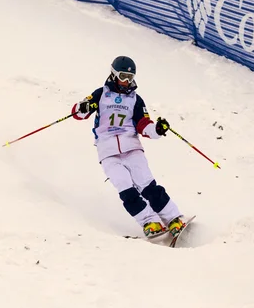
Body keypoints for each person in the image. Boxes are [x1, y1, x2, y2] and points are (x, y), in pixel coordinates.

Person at [71, 55, 186, 238]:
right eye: (123, 76)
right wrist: (83, 107)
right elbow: (78, 114)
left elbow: (143, 125)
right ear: (114, 74)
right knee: (125, 187)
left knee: (146, 184)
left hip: (131, 146)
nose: (126, 81)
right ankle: (149, 221)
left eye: (130, 78)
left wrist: (157, 129)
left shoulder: (135, 99)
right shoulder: (100, 94)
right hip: (107, 151)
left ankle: (173, 217)